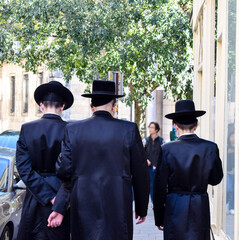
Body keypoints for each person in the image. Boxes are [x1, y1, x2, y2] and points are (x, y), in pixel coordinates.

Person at [48, 80, 150, 240]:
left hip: (83, 205)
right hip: (118, 205)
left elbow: (63, 170)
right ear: (114, 105)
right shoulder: (128, 129)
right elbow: (141, 172)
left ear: (91, 106)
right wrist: (141, 207)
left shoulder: (73, 130)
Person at [153, 99, 223, 240]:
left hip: (175, 206)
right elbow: (216, 179)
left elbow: (159, 187)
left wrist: (159, 218)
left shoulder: (167, 149)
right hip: (199, 205)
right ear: (196, 125)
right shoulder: (210, 147)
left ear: (175, 125)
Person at [16, 81, 74, 240]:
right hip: (63, 202)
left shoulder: (27, 129)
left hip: (35, 200)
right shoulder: (72, 131)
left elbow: (24, 170)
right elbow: (74, 170)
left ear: (41, 106)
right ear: (62, 106)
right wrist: (57, 199)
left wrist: (48, 195)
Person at [142, 122, 165, 202]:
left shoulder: (162, 141)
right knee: (151, 184)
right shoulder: (145, 140)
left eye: (152, 127)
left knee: (158, 184)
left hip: (159, 167)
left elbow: (164, 153)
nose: (150, 129)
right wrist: (146, 160)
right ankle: (153, 201)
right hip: (149, 167)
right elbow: (140, 152)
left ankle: (157, 200)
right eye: (149, 127)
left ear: (156, 130)